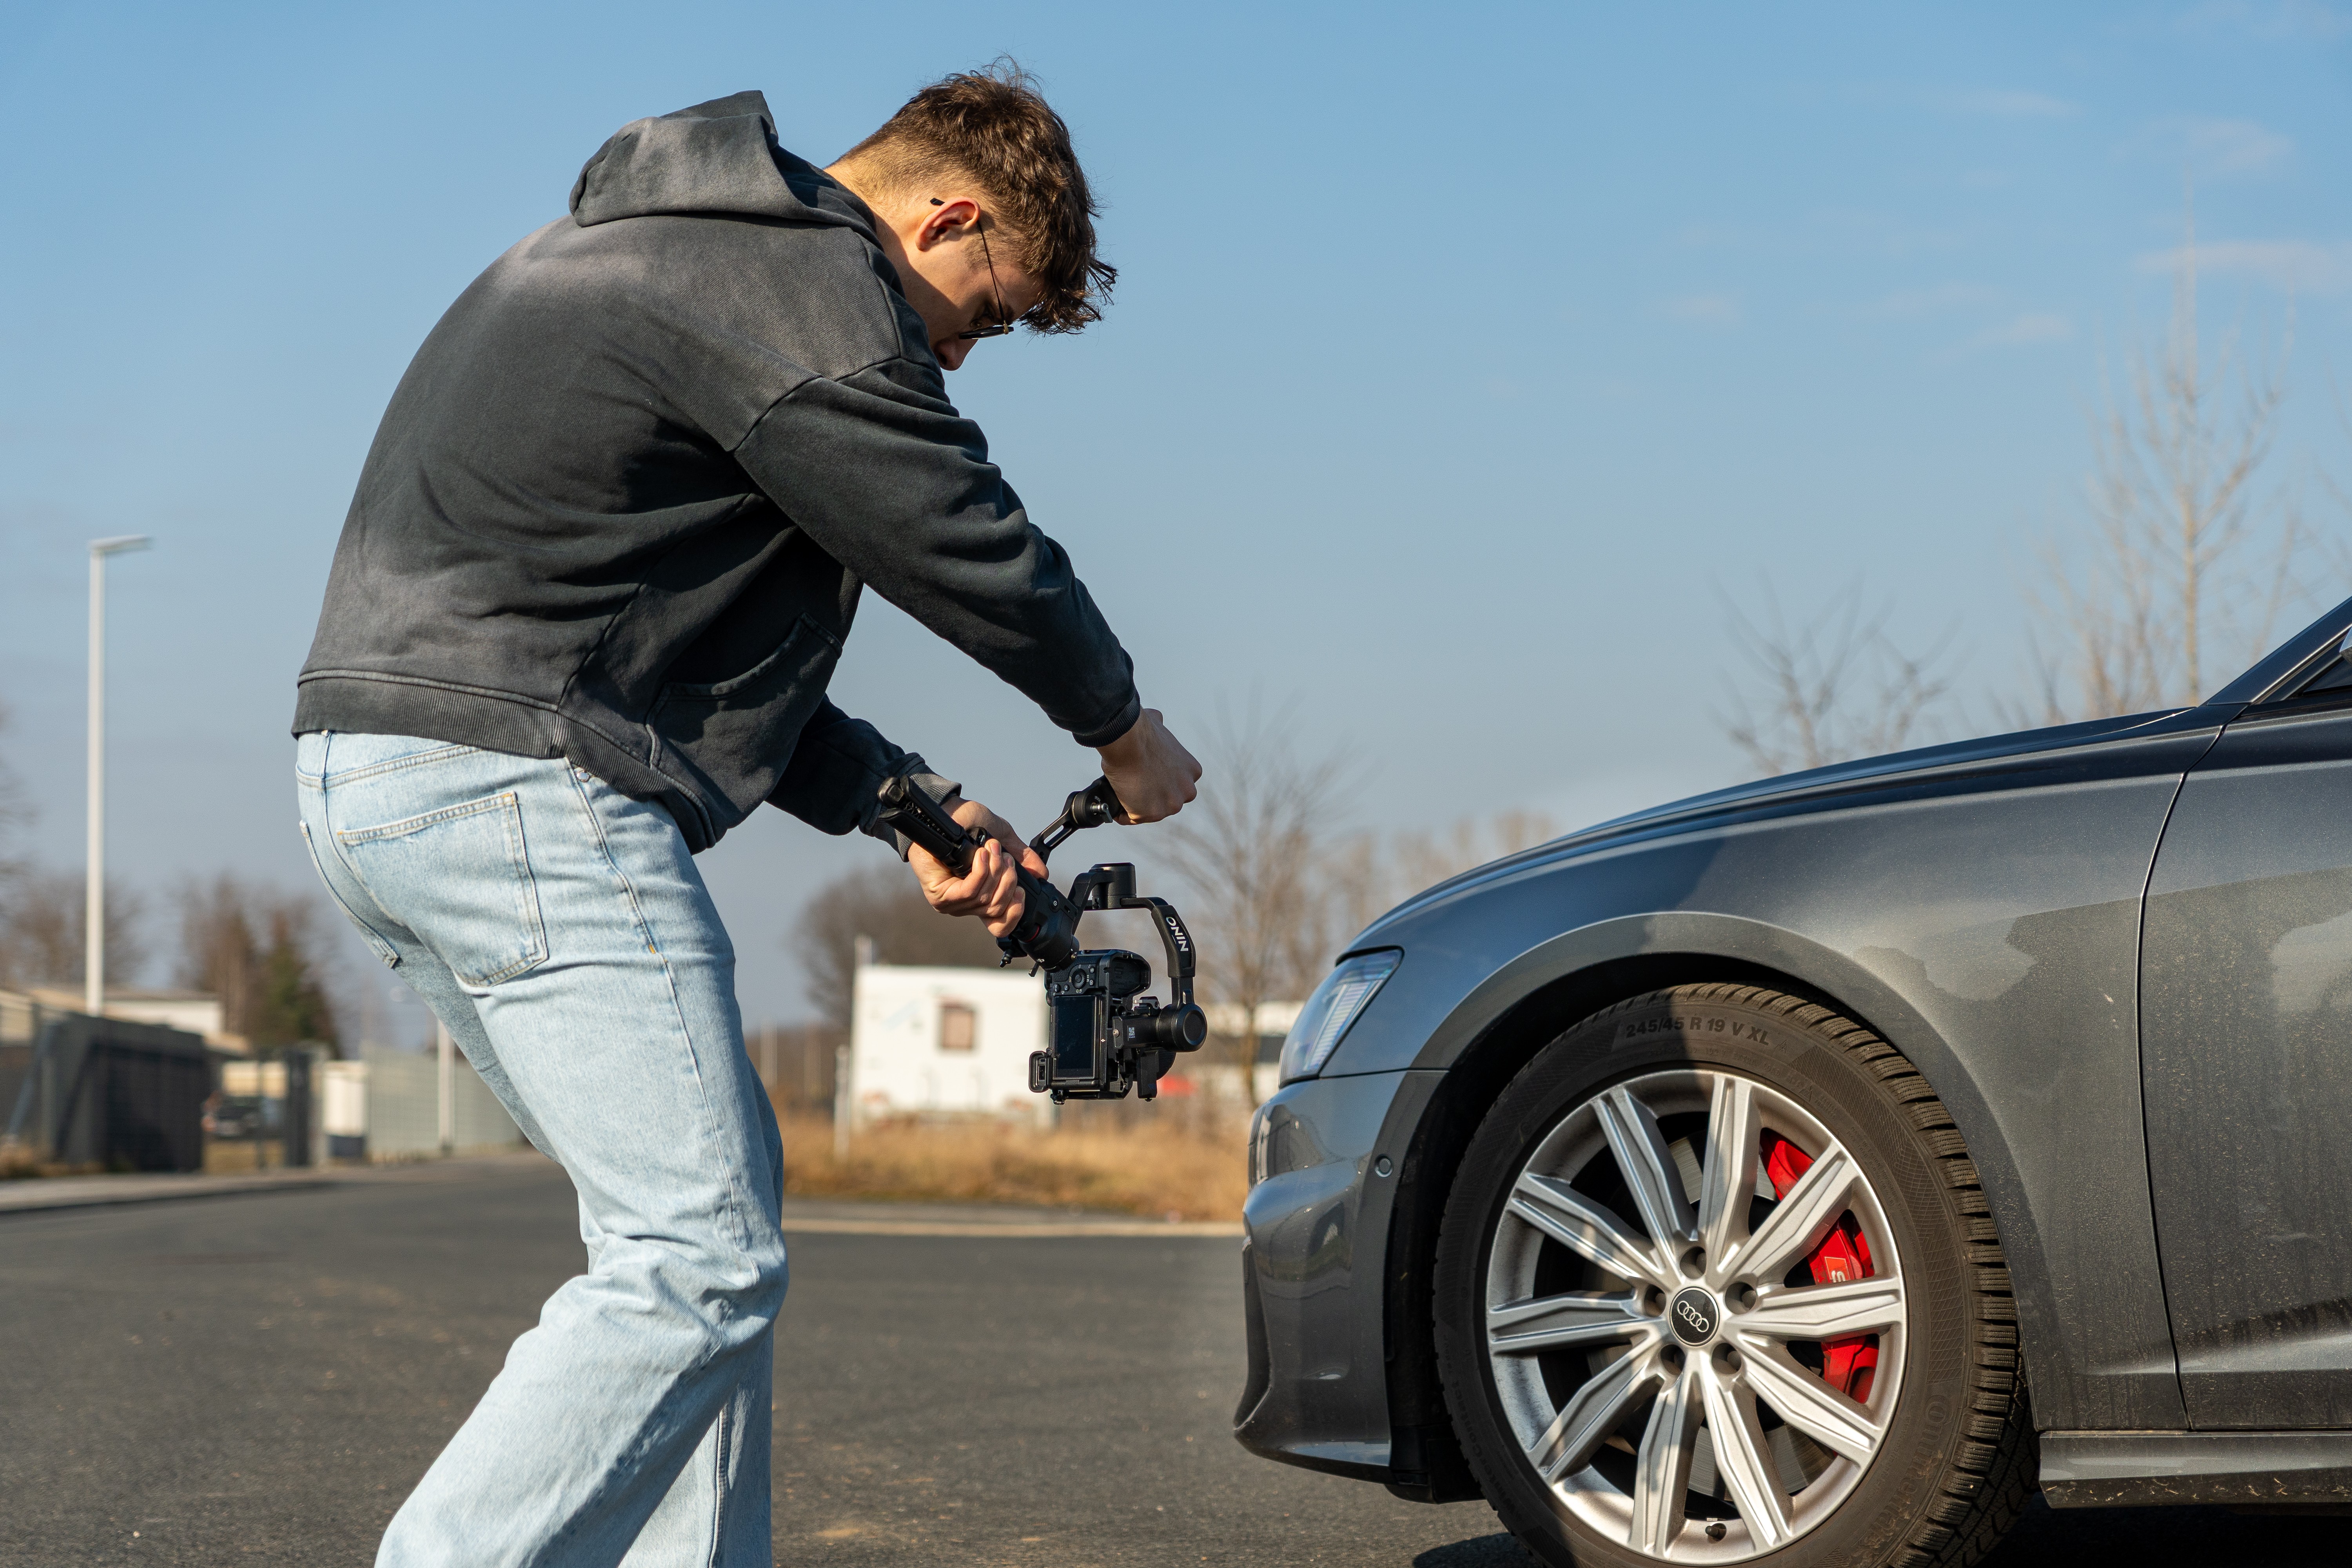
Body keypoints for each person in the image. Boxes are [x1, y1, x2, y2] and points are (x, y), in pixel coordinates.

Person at [290, 65, 1199, 1566]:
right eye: (985, 311)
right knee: (699, 1258)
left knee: (701, 1247)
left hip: (386, 780)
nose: (963, 358)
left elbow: (661, 656)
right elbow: (958, 531)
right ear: (945, 215)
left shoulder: (652, 257)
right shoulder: (806, 277)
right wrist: (1121, 720)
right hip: (520, 789)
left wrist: (899, 804)